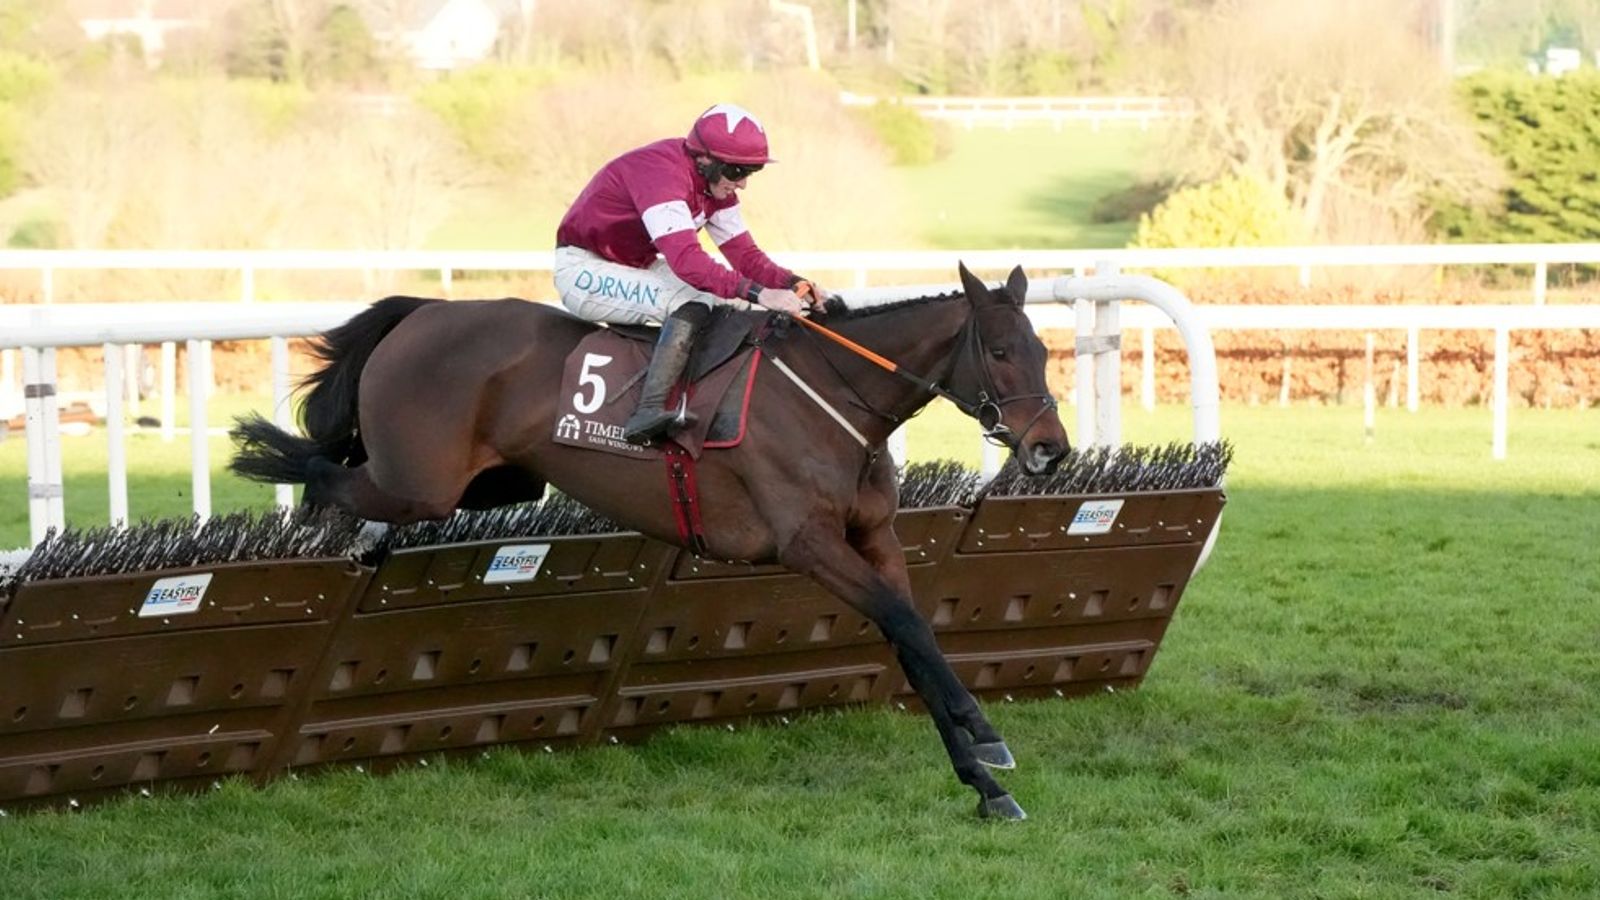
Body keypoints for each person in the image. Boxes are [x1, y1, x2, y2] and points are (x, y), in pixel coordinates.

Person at [554, 102, 831, 445]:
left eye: (752, 171)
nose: (742, 184)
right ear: (705, 160)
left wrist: (793, 282)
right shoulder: (661, 175)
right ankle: (647, 411)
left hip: (632, 263)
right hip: (584, 269)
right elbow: (687, 261)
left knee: (724, 302)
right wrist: (760, 293)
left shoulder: (715, 186)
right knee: (691, 302)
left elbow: (745, 256)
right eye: (737, 171)